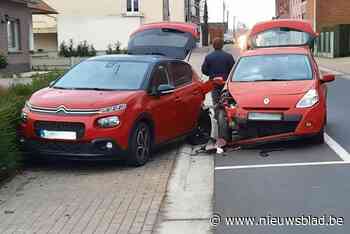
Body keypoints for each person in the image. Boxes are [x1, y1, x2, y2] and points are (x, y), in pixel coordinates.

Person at [201, 38, 235, 105]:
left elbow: (204, 70)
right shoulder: (228, 56)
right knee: (226, 102)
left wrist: (210, 74)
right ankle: (225, 114)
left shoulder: (209, 57)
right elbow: (233, 70)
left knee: (216, 103)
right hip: (225, 83)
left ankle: (216, 114)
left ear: (213, 45)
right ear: (222, 45)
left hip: (214, 83)